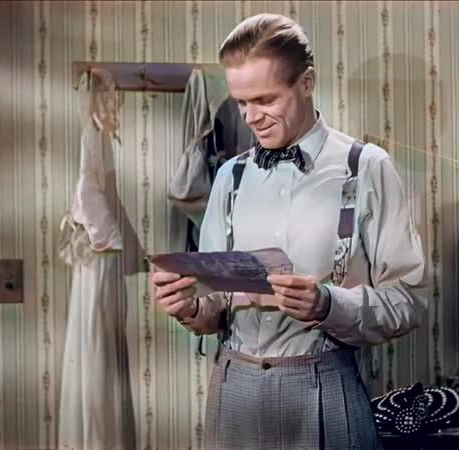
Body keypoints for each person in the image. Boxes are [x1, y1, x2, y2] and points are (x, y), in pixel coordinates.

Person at [153, 13, 427, 449]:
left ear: (307, 82)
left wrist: (327, 304)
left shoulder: (366, 168)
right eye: (242, 103)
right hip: (234, 393)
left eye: (265, 99)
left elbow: (408, 302)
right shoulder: (229, 177)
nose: (251, 117)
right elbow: (214, 310)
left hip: (324, 389)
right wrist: (189, 307)